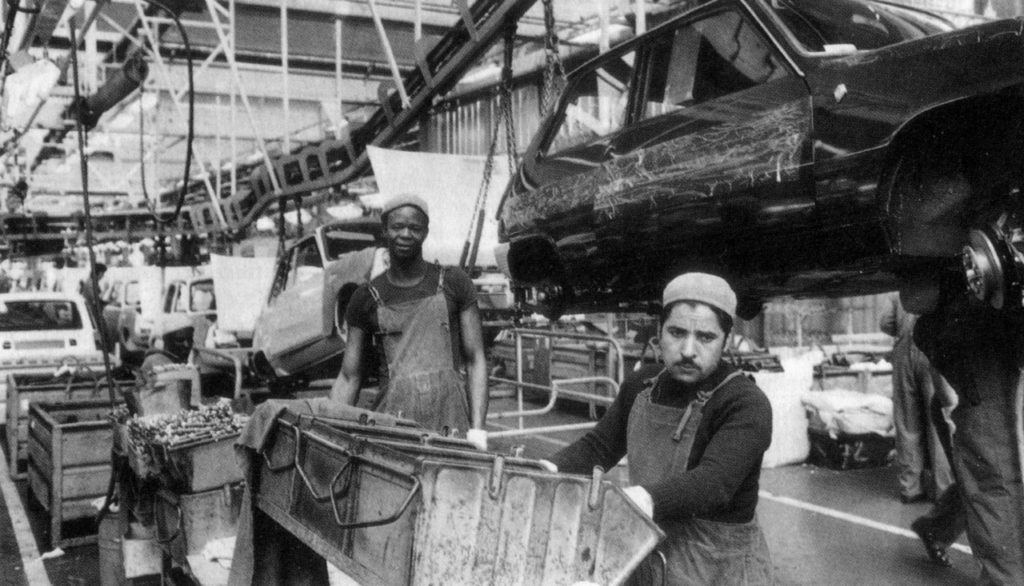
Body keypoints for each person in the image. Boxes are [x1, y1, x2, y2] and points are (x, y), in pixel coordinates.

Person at [545, 273, 773, 585]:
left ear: (726, 340)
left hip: (717, 568)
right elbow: (599, 447)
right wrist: (547, 469)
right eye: (677, 332)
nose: (688, 350)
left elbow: (713, 483)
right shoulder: (642, 385)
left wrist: (637, 500)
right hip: (650, 550)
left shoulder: (745, 403)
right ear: (659, 331)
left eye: (706, 337)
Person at [330, 193, 489, 449]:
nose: (405, 234)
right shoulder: (366, 297)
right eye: (397, 227)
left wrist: (478, 430)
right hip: (393, 428)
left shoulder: (454, 282)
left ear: (425, 232)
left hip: (451, 425)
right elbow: (350, 376)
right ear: (385, 230)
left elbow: (475, 359)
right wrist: (330, 432)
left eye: (414, 228)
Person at [914, 272, 1024, 584]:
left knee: (990, 483)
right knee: (999, 486)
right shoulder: (977, 315)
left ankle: (937, 527)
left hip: (982, 394)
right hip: (984, 396)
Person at [880, 295, 953, 503]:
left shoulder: (897, 292)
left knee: (907, 424)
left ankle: (910, 488)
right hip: (933, 350)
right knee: (937, 422)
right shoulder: (942, 284)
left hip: (903, 353)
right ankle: (944, 490)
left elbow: (885, 322)